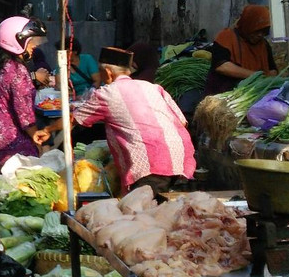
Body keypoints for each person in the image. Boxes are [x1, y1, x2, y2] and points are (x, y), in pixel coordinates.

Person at [69, 47, 195, 197]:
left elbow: (75, 118)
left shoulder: (106, 93)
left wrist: (47, 130)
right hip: (181, 157)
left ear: (108, 72)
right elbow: (182, 121)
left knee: (145, 213)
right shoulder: (153, 87)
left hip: (151, 163)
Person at [0, 16, 51, 170]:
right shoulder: (18, 70)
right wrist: (34, 135)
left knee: (3, 181)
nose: (34, 46)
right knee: (22, 182)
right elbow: (24, 112)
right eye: (31, 42)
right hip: (9, 137)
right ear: (17, 41)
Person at [203, 4, 277, 96]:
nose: (260, 35)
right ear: (248, 25)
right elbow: (222, 66)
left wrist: (268, 79)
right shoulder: (226, 37)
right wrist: (255, 76)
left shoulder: (263, 45)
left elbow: (273, 70)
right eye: (257, 31)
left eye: (263, 32)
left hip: (253, 93)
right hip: (223, 93)